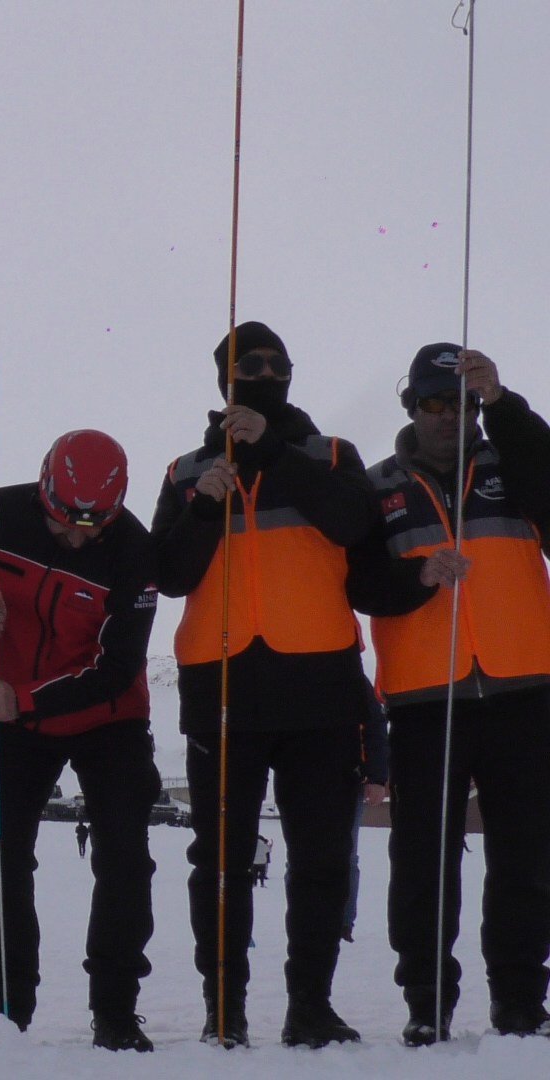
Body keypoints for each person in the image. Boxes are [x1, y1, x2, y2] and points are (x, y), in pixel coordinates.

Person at [151, 322, 375, 1048]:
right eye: (252, 365)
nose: (267, 374)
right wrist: (203, 507)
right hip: (222, 691)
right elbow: (170, 574)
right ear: (225, 380)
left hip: (320, 689)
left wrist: (272, 453)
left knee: (319, 857)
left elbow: (350, 524)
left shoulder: (331, 454)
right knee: (219, 861)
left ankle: (311, 1005)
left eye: (279, 364)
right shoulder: (187, 471)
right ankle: (225, 1007)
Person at [346, 345, 550, 1044]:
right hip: (426, 700)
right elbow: (360, 586)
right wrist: (418, 580)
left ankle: (521, 1000)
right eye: (432, 403)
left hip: (525, 689)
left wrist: (507, 403)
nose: (445, 417)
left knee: (526, 856)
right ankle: (427, 1001)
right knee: (423, 859)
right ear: (411, 408)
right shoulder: (378, 488)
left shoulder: (515, 466)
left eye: (459, 403)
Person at [0, 428, 161, 1051]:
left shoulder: (134, 552)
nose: (78, 537)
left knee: (123, 857)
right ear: (43, 490)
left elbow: (117, 668)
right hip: (14, 718)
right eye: (65, 521)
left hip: (106, 716)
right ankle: (7, 1005)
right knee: (3, 856)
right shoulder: (0, 513)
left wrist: (28, 699)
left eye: (94, 525)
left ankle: (116, 1012)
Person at [342, 701, 390, 945]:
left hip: (350, 778)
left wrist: (378, 777)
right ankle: (308, 919)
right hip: (304, 776)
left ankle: (344, 921)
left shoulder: (356, 683)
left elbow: (375, 726)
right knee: (301, 857)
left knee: (347, 855)